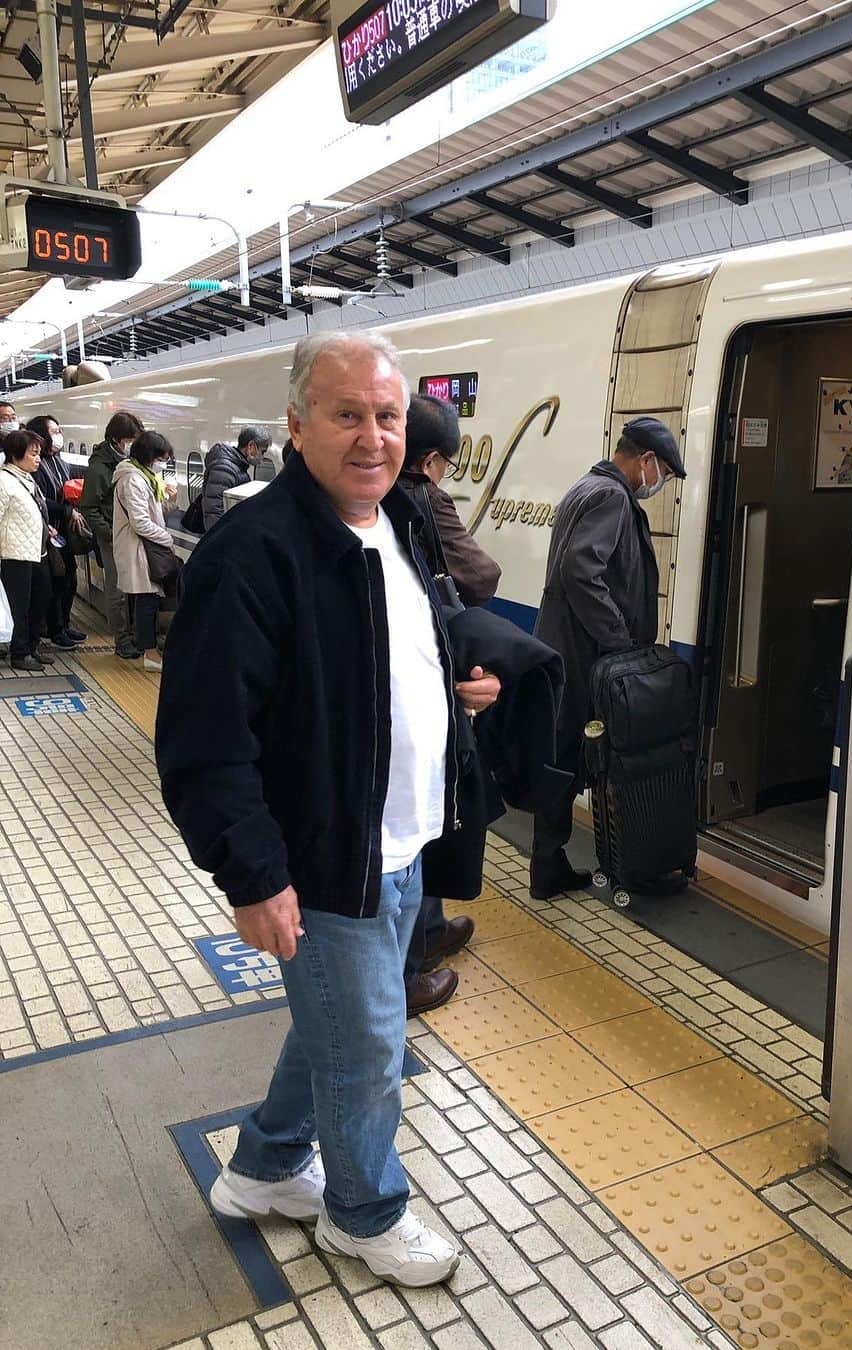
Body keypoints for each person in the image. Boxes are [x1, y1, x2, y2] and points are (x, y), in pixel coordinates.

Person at [155, 331, 500, 1288]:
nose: (373, 438)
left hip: (399, 837)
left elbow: (395, 649)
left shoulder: (399, 525)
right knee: (372, 1043)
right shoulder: (252, 554)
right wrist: (254, 875)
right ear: (298, 423)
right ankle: (362, 1212)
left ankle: (265, 1170)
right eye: (347, 414)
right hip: (322, 848)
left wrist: (453, 688)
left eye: (387, 416)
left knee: (338, 1026)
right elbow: (204, 740)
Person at [530, 417, 687, 899]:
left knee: (563, 755)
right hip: (585, 655)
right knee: (578, 755)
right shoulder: (612, 497)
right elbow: (582, 571)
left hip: (567, 648)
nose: (657, 484)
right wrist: (620, 642)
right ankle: (563, 863)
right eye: (661, 472)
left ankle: (550, 862)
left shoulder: (587, 485)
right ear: (645, 461)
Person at [398, 394, 502, 1014]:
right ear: (433, 458)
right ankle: (411, 965)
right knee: (427, 811)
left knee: (429, 811)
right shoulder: (425, 498)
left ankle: (430, 932)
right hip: (426, 681)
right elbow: (481, 577)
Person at [112, 430, 178, 672]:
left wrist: (171, 498)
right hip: (137, 549)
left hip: (145, 548)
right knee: (146, 601)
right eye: (162, 458)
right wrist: (167, 538)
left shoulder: (146, 477)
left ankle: (151, 651)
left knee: (147, 600)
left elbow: (154, 513)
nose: (164, 463)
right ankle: (150, 654)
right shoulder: (133, 479)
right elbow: (140, 522)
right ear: (150, 456)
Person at [82, 411, 143, 659]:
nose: (134, 446)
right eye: (131, 441)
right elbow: (88, 507)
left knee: (134, 585)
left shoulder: (128, 462)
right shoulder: (99, 468)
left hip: (129, 535)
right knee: (117, 588)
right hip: (112, 538)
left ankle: (134, 634)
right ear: (118, 440)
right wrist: (110, 534)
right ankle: (121, 639)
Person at [26, 414, 87, 651]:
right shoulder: (36, 464)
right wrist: (65, 509)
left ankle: (65, 622)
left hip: (64, 532)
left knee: (70, 579)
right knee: (55, 582)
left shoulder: (59, 461)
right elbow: (39, 498)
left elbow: (68, 486)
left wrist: (71, 505)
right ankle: (54, 629)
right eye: (54, 431)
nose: (59, 436)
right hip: (47, 532)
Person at [0, 430, 58, 672]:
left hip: (36, 550)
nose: (38, 459)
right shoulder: (4, 481)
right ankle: (20, 653)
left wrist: (46, 527)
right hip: (14, 554)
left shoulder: (25, 477)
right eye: (33, 454)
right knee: (20, 606)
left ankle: (32, 646)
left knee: (41, 598)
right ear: (15, 455)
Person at [201, 426, 271, 530]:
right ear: (251, 446)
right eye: (262, 451)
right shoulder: (224, 470)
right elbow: (214, 513)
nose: (262, 457)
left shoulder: (238, 466)